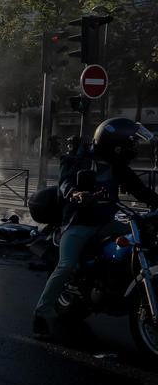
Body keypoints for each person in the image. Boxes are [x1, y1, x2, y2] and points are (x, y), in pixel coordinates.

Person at [33, 118, 158, 338]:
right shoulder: (79, 160)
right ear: (116, 144)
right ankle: (41, 313)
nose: (133, 148)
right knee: (66, 265)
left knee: (142, 237)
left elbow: (139, 190)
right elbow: (66, 183)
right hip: (78, 223)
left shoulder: (117, 165)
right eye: (130, 143)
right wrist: (77, 194)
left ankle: (117, 284)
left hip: (106, 222)